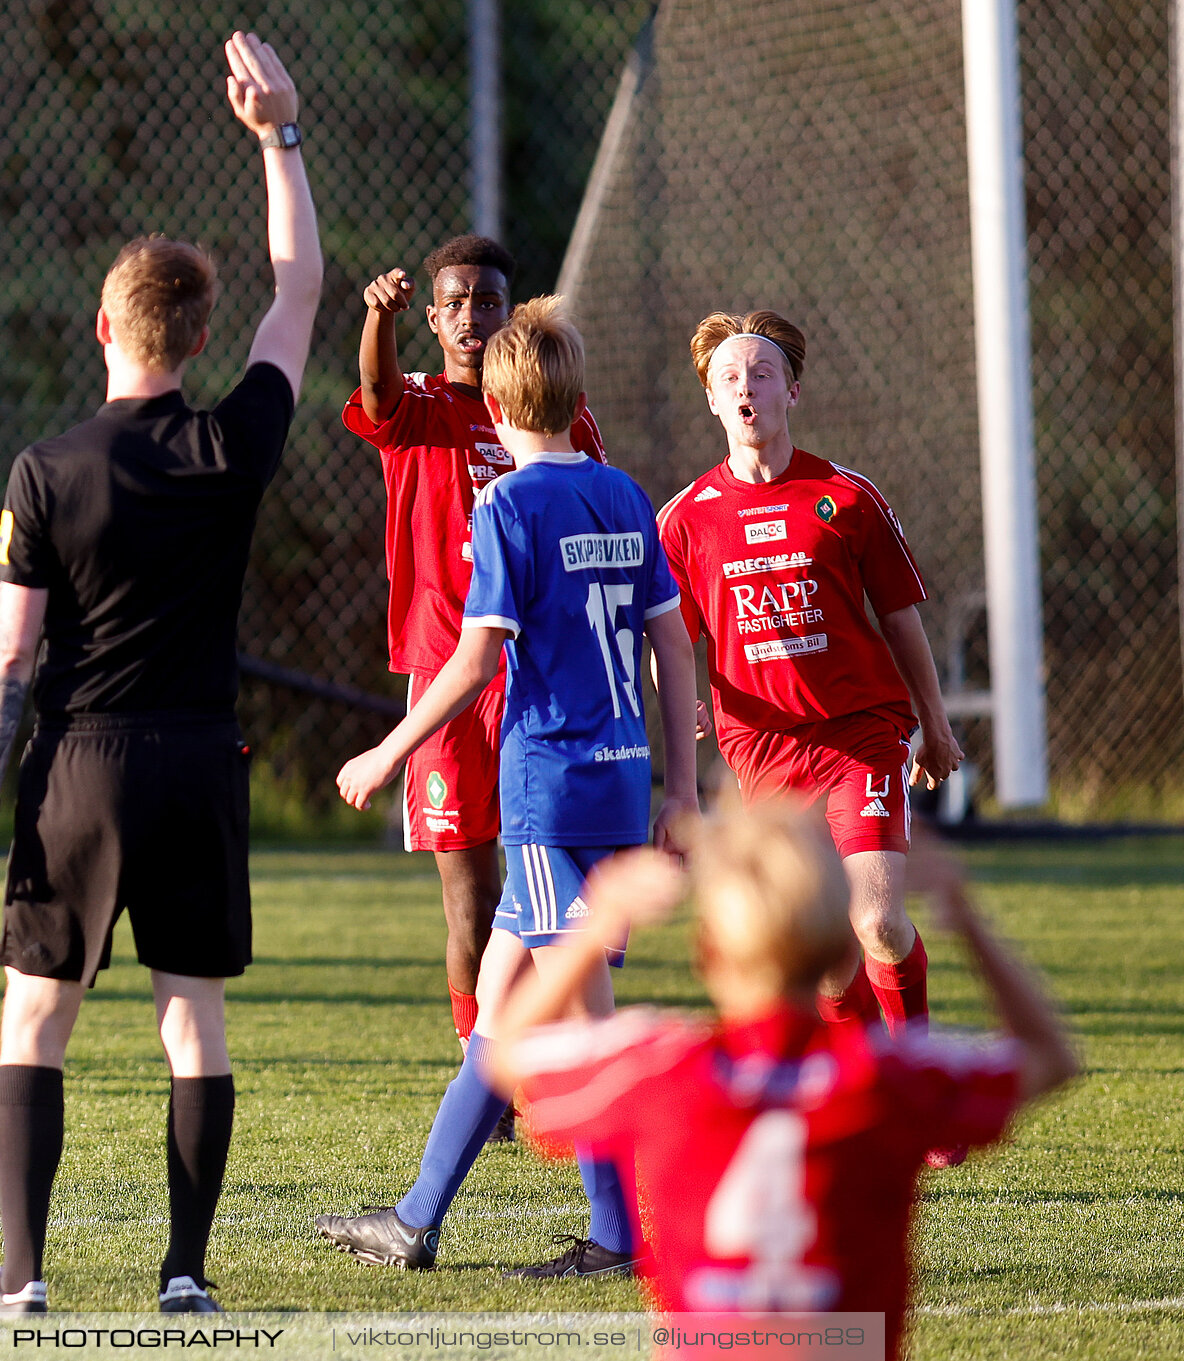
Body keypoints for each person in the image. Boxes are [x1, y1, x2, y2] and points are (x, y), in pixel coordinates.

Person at [0, 32, 321, 1318]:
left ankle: (27, 1276)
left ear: (104, 326)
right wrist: (280, 137)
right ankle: (185, 1272)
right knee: (190, 1015)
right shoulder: (230, 440)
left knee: (34, 1021)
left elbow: (10, 649)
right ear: (202, 333)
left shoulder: (47, 470)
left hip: (83, 763)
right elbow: (304, 291)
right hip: (201, 759)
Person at [313, 297, 698, 1280]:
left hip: (549, 792)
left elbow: (476, 657)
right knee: (499, 1009)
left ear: (492, 400)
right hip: (618, 781)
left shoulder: (510, 506)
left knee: (580, 1021)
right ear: (572, 393)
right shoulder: (619, 491)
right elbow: (668, 638)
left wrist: (390, 748)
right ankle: (414, 1218)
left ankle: (618, 1234)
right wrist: (685, 784)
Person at [486, 805, 1077, 1361]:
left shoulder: (660, 1070)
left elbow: (505, 1053)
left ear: (708, 953)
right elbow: (1049, 1057)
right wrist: (964, 914)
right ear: (844, 947)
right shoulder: (885, 1080)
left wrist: (594, 925)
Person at [656, 312, 964, 1086]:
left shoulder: (845, 496)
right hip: (761, 751)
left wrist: (934, 725)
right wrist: (686, 701)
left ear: (791, 390)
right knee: (823, 954)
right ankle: (870, 1090)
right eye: (730, 377)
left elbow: (899, 618)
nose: (746, 386)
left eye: (761, 372)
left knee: (880, 924)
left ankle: (914, 1069)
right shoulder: (687, 519)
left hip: (859, 733)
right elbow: (671, 643)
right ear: (713, 403)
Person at [345, 238, 608, 1070]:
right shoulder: (417, 404)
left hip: (542, 673)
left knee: (560, 886)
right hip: (447, 675)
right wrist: (374, 318)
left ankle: (560, 1059)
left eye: (486, 301)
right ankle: (482, 1071)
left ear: (509, 310)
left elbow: (599, 527)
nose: (470, 316)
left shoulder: (554, 416)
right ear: (432, 317)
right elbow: (376, 390)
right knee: (473, 896)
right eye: (454, 303)